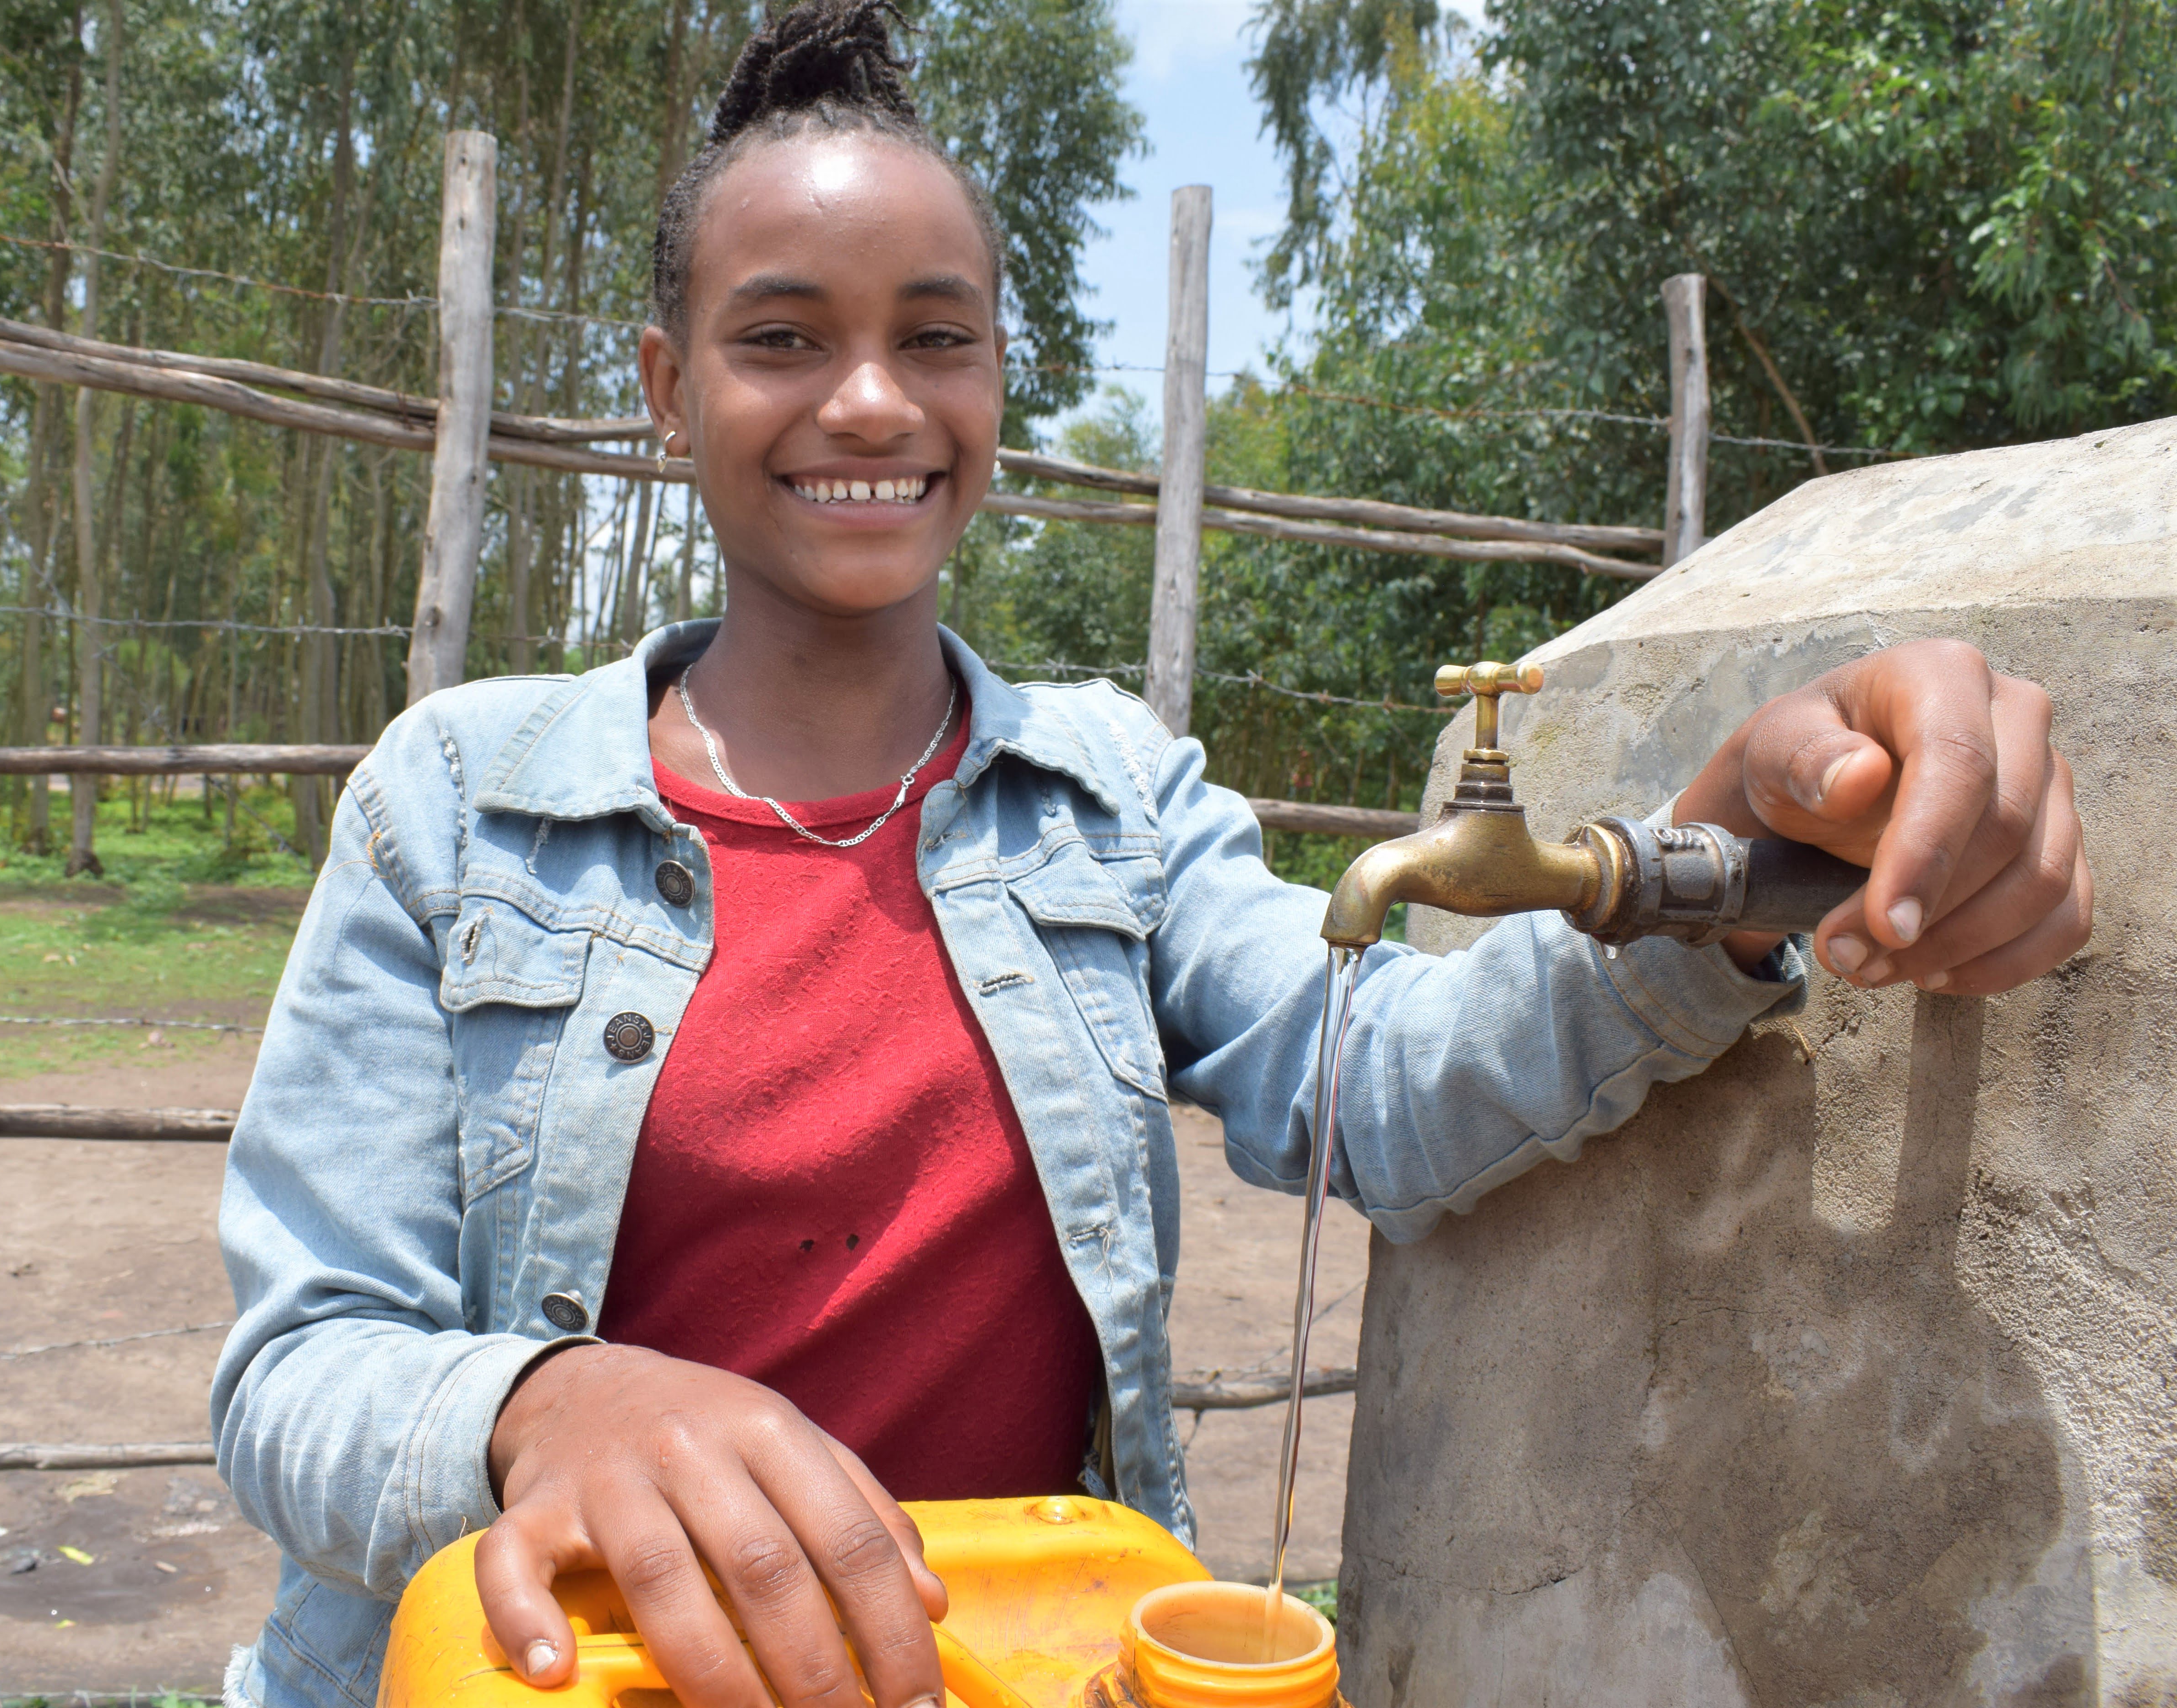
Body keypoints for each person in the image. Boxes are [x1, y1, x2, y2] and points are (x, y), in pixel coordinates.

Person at [210, 5, 2091, 1706]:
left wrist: (1718, 853)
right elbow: (295, 1373)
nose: (868, 400)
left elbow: (1386, 1083)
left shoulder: (1112, 797)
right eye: (780, 337)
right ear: (663, 383)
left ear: (995, 381)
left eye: (931, 339)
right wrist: (551, 1402)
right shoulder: (458, 805)